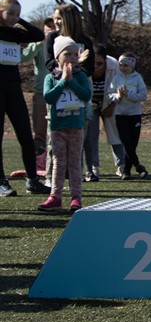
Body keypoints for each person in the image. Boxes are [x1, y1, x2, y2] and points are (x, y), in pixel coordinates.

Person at [0, 0, 51, 197]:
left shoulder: (15, 33)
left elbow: (38, 35)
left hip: (14, 87)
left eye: (18, 14)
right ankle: (1, 182)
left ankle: (32, 180)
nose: (14, 17)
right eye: (10, 13)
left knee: (25, 134)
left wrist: (19, 20)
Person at [40, 35, 91, 212]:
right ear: (57, 57)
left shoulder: (81, 76)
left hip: (76, 126)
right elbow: (49, 97)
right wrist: (62, 81)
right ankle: (55, 196)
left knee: (75, 163)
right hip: (58, 127)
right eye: (67, 54)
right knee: (58, 162)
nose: (71, 58)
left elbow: (86, 95)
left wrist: (72, 82)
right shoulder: (50, 78)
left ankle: (76, 197)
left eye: (74, 54)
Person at [83, 44, 127, 180]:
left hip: (110, 102)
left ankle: (122, 165)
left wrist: (112, 105)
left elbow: (120, 88)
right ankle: (93, 168)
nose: (95, 67)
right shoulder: (83, 66)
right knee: (90, 137)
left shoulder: (114, 66)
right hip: (90, 105)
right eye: (93, 63)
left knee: (115, 133)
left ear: (106, 61)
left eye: (99, 63)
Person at [110, 52, 148, 179]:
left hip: (134, 114)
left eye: (126, 65)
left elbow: (143, 96)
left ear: (132, 66)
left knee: (133, 143)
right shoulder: (116, 78)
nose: (123, 68)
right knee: (126, 142)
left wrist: (129, 95)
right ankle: (138, 167)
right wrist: (118, 96)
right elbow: (110, 94)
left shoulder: (137, 78)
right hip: (120, 114)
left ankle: (126, 171)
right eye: (121, 65)